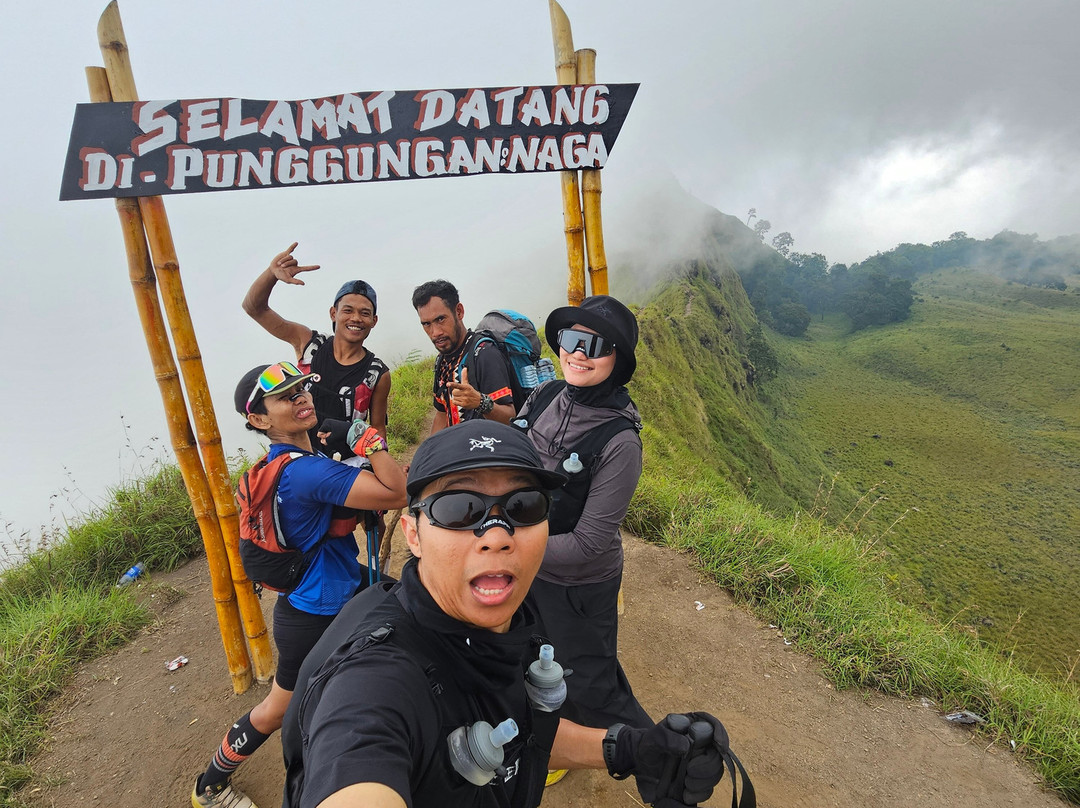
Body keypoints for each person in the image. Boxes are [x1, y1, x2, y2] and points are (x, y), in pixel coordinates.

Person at [280, 420, 753, 808]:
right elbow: (358, 759)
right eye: (459, 508)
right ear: (413, 534)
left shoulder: (515, 618)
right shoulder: (376, 680)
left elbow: (520, 730)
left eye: (523, 506)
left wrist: (628, 749)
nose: (497, 535)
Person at [191, 361, 407, 808]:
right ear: (259, 420)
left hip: (340, 583)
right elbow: (398, 490)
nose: (301, 398)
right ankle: (208, 786)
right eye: (285, 397)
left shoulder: (283, 463)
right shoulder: (306, 472)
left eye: (302, 389)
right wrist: (366, 438)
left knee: (413, 612)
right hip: (317, 608)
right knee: (277, 709)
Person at [514, 295, 651, 732]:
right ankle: (545, 741)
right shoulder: (544, 394)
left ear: (618, 359)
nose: (577, 353)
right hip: (528, 567)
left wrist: (509, 545)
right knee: (531, 657)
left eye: (595, 346)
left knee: (589, 684)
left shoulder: (620, 442)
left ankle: (658, 754)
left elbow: (589, 544)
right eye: (571, 339)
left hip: (578, 586)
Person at [242, 243, 391, 453]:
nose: (356, 318)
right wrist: (271, 275)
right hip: (300, 457)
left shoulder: (376, 374)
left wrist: (381, 463)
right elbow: (254, 309)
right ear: (333, 313)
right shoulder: (309, 345)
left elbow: (378, 428)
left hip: (346, 464)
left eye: (365, 313)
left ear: (374, 321)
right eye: (348, 310)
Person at [411, 279, 515, 434]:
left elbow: (511, 418)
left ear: (459, 312)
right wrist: (430, 448)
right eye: (427, 324)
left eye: (440, 319)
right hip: (459, 446)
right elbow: (442, 413)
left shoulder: (484, 354)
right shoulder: (442, 360)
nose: (435, 332)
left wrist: (480, 403)